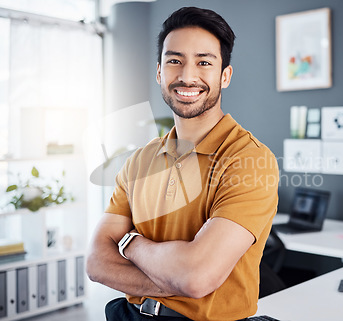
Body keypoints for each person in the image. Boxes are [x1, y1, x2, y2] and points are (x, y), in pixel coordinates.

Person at [86, 6, 279, 321]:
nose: (188, 76)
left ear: (224, 75)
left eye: (204, 62)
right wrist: (177, 278)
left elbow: (196, 277)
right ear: (160, 72)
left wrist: (129, 243)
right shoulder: (139, 160)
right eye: (175, 60)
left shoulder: (248, 159)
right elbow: (96, 263)